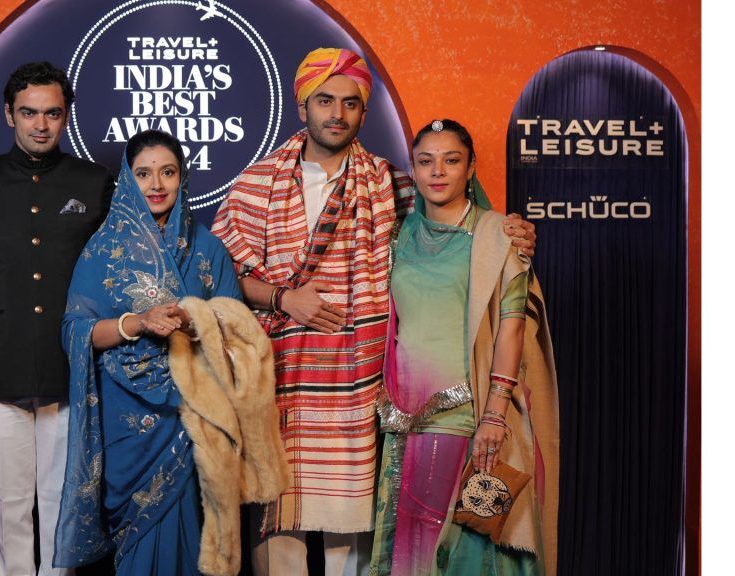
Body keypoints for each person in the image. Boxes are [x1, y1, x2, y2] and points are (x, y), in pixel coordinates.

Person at [211, 48, 537, 576]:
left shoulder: (393, 185)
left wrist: (514, 232)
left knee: (359, 534)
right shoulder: (254, 184)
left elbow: (461, 228)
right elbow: (220, 276)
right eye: (325, 100)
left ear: (364, 113)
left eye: (350, 103)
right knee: (280, 528)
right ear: (302, 106)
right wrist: (282, 298)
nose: (336, 113)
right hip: (281, 384)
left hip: (361, 391)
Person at [370, 119, 559, 576]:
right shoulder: (398, 236)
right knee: (412, 542)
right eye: (426, 161)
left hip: (469, 414)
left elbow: (512, 327)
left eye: (451, 161)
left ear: (471, 168)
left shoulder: (499, 235)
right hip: (403, 420)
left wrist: (495, 414)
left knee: (465, 550)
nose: (438, 172)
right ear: (412, 171)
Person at [54, 130, 242, 575]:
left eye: (167, 172)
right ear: (127, 180)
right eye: (143, 173)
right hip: (126, 422)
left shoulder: (207, 248)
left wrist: (194, 323)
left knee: (195, 542)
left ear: (183, 178)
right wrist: (135, 323)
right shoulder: (103, 251)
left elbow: (237, 333)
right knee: (138, 540)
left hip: (194, 418)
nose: (156, 184)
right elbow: (76, 331)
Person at [0, 62, 115, 576]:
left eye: (52, 113)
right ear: (9, 115)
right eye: (29, 113)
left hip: (69, 369)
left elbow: (128, 261)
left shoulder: (93, 183)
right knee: (9, 508)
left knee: (61, 507)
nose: (40, 124)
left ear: (66, 118)